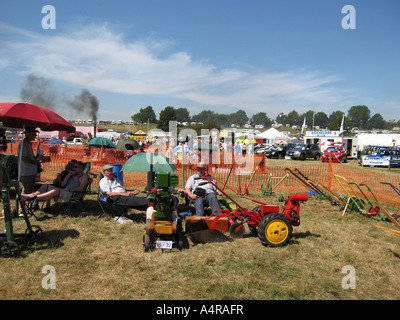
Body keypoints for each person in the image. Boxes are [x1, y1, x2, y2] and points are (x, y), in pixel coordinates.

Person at [22, 161, 88, 213]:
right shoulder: (74, 176)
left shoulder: (84, 177)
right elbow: (63, 185)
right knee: (46, 186)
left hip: (72, 194)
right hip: (65, 191)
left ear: (81, 168)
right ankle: (32, 195)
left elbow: (81, 189)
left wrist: (69, 190)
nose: (73, 168)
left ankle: (34, 198)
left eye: (75, 167)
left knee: (55, 191)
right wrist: (68, 175)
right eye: (73, 167)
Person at [17, 127, 41, 194]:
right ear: (29, 134)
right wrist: (34, 162)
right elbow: (23, 158)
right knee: (26, 191)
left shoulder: (28, 143)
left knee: (29, 190)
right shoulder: (24, 144)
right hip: (26, 171)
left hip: (30, 171)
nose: (36, 135)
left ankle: (25, 202)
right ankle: (23, 203)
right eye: (34, 134)